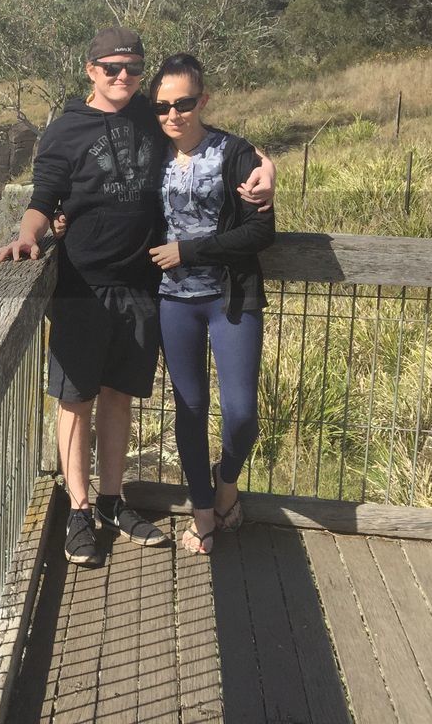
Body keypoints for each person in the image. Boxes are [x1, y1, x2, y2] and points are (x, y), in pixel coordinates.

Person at [0, 28, 274, 568]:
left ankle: (112, 501)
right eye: (112, 68)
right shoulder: (65, 129)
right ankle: (77, 508)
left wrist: (267, 166)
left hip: (142, 285)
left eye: (133, 68)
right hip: (82, 284)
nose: (123, 77)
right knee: (76, 402)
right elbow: (43, 195)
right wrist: (29, 234)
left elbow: (217, 140)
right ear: (90, 69)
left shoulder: (151, 114)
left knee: (118, 397)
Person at [147, 54, 274, 555]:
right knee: (190, 407)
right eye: (162, 105)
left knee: (241, 412)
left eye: (182, 103)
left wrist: (190, 250)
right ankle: (204, 512)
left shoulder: (234, 153)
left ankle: (227, 481)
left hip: (230, 298)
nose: (172, 114)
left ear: (202, 100)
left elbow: (261, 230)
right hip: (173, 302)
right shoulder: (152, 153)